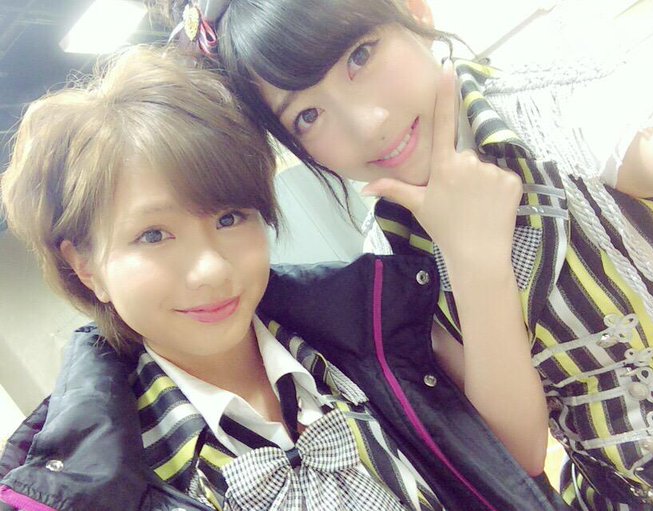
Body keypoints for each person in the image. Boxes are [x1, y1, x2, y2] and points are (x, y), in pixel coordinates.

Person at [151, 0, 653, 509]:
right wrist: (475, 264)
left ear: (412, 9)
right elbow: (517, 451)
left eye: (360, 55)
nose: (368, 125)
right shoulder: (390, 263)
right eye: (308, 115)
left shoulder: (563, 108)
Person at [0, 46, 568, 511]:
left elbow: (514, 457)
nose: (211, 269)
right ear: (87, 267)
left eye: (230, 218)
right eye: (153, 235)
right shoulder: (85, 489)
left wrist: (473, 256)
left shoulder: (368, 323)